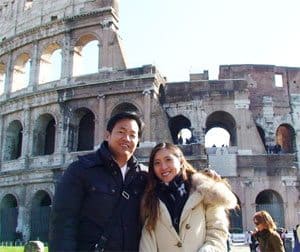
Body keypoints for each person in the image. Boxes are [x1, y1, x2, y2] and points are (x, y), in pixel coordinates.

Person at [49, 112, 148, 251]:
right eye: (121, 132)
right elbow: (63, 224)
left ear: (138, 141)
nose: (127, 138)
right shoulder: (80, 170)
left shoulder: (143, 176)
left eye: (133, 135)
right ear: (107, 135)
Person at [139, 142, 237, 252]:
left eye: (168, 160)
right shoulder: (150, 199)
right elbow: (147, 240)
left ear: (181, 162)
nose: (163, 167)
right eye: (157, 163)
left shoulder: (205, 190)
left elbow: (217, 231)